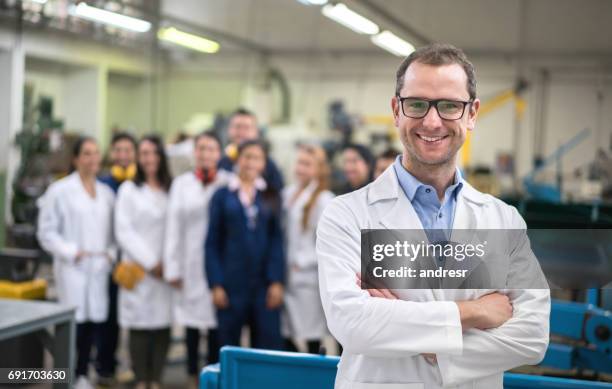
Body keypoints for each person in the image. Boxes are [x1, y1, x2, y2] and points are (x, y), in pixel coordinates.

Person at [316, 43, 550, 389]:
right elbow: (352, 322)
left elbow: (532, 335)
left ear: (472, 114)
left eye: (450, 106)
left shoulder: (503, 220)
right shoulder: (347, 215)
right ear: (397, 110)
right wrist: (474, 312)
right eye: (417, 104)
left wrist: (434, 350)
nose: (431, 120)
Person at [37, 136, 115, 389]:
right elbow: (46, 232)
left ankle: (81, 375)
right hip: (73, 268)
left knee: (93, 326)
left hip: (99, 268)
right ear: (76, 159)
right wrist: (71, 252)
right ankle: (64, 378)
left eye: (96, 153)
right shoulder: (60, 191)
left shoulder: (106, 193)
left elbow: (114, 233)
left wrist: (111, 255)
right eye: (87, 154)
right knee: (74, 327)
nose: (93, 159)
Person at [206, 139, 285, 351]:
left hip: (263, 285)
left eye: (257, 158)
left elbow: (277, 240)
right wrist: (216, 284)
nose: (251, 162)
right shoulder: (221, 195)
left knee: (267, 347)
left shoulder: (271, 195)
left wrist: (276, 281)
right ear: (238, 159)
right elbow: (212, 242)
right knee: (227, 346)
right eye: (247, 156)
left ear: (264, 163)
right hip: (231, 285)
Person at [164, 131, 227, 388]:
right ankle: (192, 377)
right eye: (201, 149)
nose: (205, 154)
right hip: (189, 263)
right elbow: (173, 227)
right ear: (194, 153)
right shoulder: (181, 184)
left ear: (219, 154)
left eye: (211, 149)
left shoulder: (228, 181)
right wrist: (173, 267)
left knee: (216, 325)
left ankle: (213, 377)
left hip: (218, 266)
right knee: (190, 324)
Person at [114, 135, 173, 389]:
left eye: (154, 153)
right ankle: (141, 380)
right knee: (138, 325)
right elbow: (123, 230)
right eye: (144, 153)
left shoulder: (172, 188)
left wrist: (168, 262)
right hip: (139, 269)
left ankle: (156, 380)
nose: (149, 158)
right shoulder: (129, 190)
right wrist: (151, 263)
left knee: (163, 323)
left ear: (161, 157)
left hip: (166, 269)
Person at [282, 144, 334, 354]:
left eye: (307, 164)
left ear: (319, 168)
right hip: (288, 276)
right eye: (299, 163)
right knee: (287, 332)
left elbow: (328, 243)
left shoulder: (324, 199)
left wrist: (301, 262)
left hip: (307, 278)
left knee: (312, 335)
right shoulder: (289, 192)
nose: (300, 168)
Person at [96, 131, 137, 385]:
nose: (123, 155)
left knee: (135, 316)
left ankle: (135, 366)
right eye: (118, 150)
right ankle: (105, 367)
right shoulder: (102, 185)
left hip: (135, 262)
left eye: (128, 150)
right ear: (111, 153)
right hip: (109, 262)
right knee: (108, 317)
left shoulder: (141, 183)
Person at [218, 108, 284, 192]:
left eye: (247, 128)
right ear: (229, 130)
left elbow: (277, 195)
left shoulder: (269, 165)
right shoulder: (221, 162)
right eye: (237, 127)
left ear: (256, 132)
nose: (241, 132)